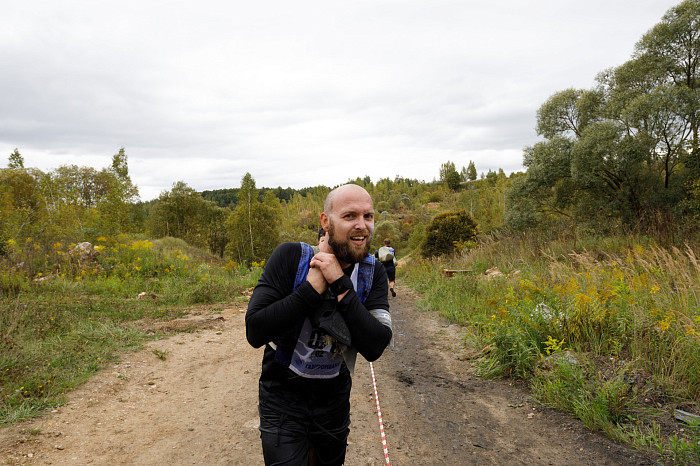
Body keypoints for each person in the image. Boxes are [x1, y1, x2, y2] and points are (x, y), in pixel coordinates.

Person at [246, 184, 393, 466]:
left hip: (333, 401)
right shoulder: (291, 258)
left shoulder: (372, 273)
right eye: (349, 216)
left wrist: (341, 285)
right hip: (282, 397)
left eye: (369, 216)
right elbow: (255, 330)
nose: (362, 226)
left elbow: (375, 346)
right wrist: (310, 291)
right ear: (326, 222)